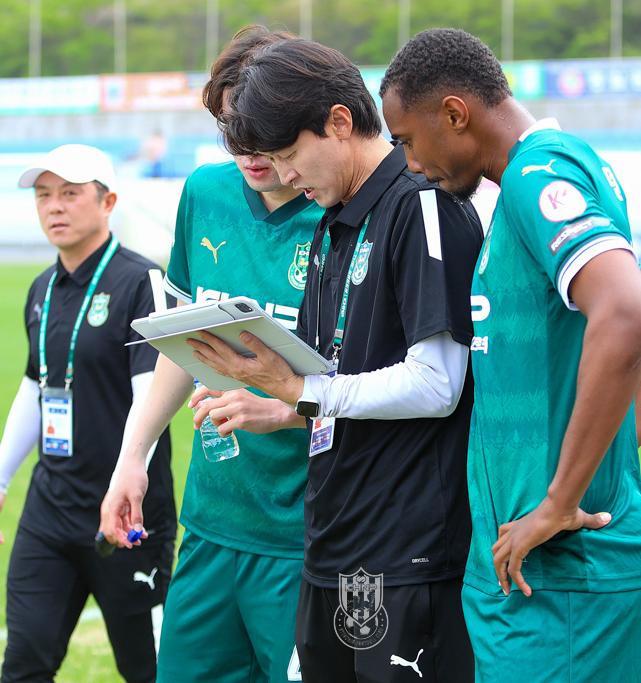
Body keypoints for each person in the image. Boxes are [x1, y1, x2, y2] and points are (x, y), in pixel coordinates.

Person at [379, 28, 641, 683]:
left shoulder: (536, 176)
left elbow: (632, 315)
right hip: (536, 578)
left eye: (407, 140)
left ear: (454, 113)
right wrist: (579, 473)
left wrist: (560, 499)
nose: (409, 164)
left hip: (563, 585)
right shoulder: (535, 183)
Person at [188, 38, 485, 683]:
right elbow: (336, 377)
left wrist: (296, 388)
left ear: (340, 122)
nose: (286, 176)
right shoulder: (334, 218)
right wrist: (281, 406)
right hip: (330, 543)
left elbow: (438, 383)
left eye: (289, 155)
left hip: (406, 552)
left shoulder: (422, 204)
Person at [100, 26, 326, 683]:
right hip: (210, 524)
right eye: (231, 129)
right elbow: (184, 342)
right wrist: (133, 457)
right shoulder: (206, 192)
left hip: (305, 538)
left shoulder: (342, 215)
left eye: (263, 129)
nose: (247, 148)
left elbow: (381, 383)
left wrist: (286, 407)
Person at [0, 143, 177, 683]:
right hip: (50, 512)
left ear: (108, 202)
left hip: (127, 515)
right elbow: (35, 386)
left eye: (69, 193)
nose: (54, 206)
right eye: (43, 196)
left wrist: (126, 480)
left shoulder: (141, 282)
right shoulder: (42, 288)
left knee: (149, 669)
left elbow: (152, 394)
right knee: (24, 664)